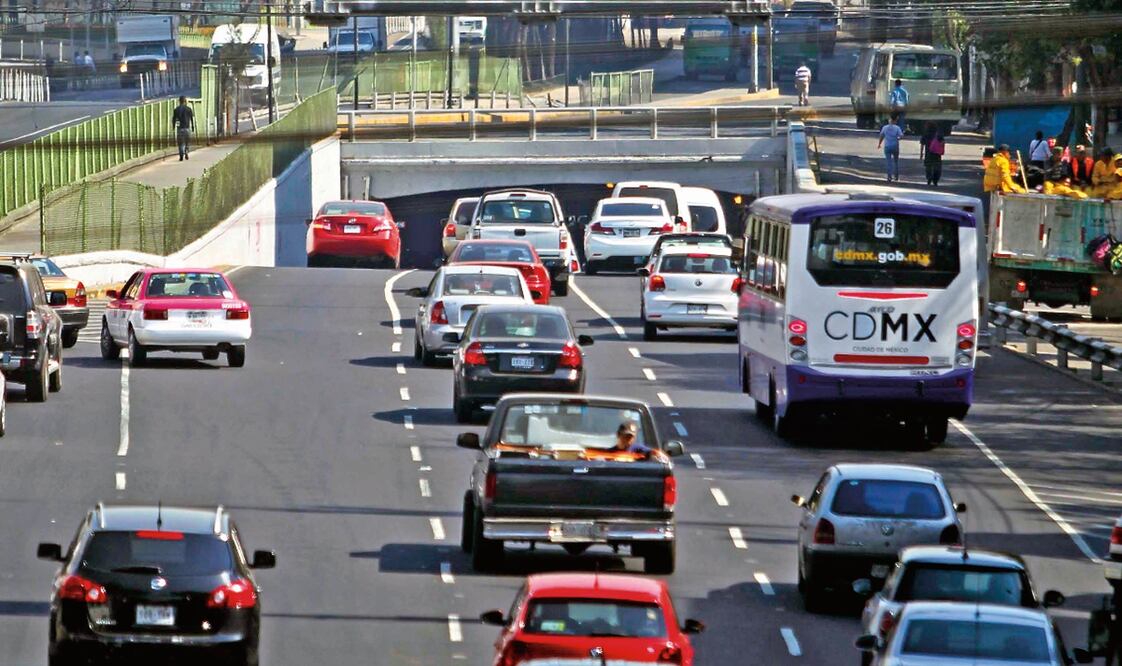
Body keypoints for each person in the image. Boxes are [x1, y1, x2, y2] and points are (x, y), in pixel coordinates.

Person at [877, 114, 904, 182]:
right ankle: (896, 176)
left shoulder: (885, 127)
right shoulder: (897, 128)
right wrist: (898, 138)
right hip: (895, 146)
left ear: (890, 120)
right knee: (896, 161)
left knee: (888, 161)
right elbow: (901, 136)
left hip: (887, 146)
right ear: (895, 121)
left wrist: (879, 143)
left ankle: (889, 176)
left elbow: (882, 135)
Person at [919, 121, 945, 187]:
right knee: (937, 166)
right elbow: (943, 142)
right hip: (937, 153)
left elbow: (922, 144)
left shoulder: (925, 134)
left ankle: (929, 177)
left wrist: (921, 154)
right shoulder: (938, 134)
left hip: (928, 153)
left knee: (928, 166)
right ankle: (935, 180)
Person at [172, 96, 195, 161]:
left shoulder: (176, 110)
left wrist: (173, 127)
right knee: (187, 142)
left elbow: (174, 119)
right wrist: (193, 127)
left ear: (179, 101)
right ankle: (186, 151)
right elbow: (191, 119)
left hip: (180, 129)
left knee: (180, 143)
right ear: (185, 101)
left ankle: (181, 154)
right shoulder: (189, 109)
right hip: (187, 128)